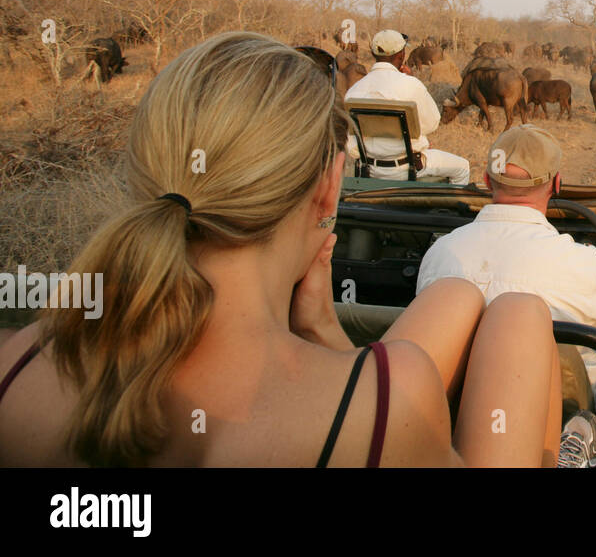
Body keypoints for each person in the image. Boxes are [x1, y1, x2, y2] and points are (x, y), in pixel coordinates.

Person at [0, 32, 565, 467]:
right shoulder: (385, 404)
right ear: (330, 185)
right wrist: (332, 342)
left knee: (462, 297)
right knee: (520, 313)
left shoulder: (14, 364)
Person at [416, 125, 596, 408]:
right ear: (556, 184)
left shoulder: (438, 254)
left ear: (487, 180)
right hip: (559, 421)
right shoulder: (581, 265)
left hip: (452, 414)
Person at [344, 29, 470, 185]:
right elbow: (432, 123)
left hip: (370, 167)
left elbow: (350, 139)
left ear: (373, 53)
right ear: (401, 55)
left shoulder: (354, 90)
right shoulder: (410, 84)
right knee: (463, 167)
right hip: (407, 167)